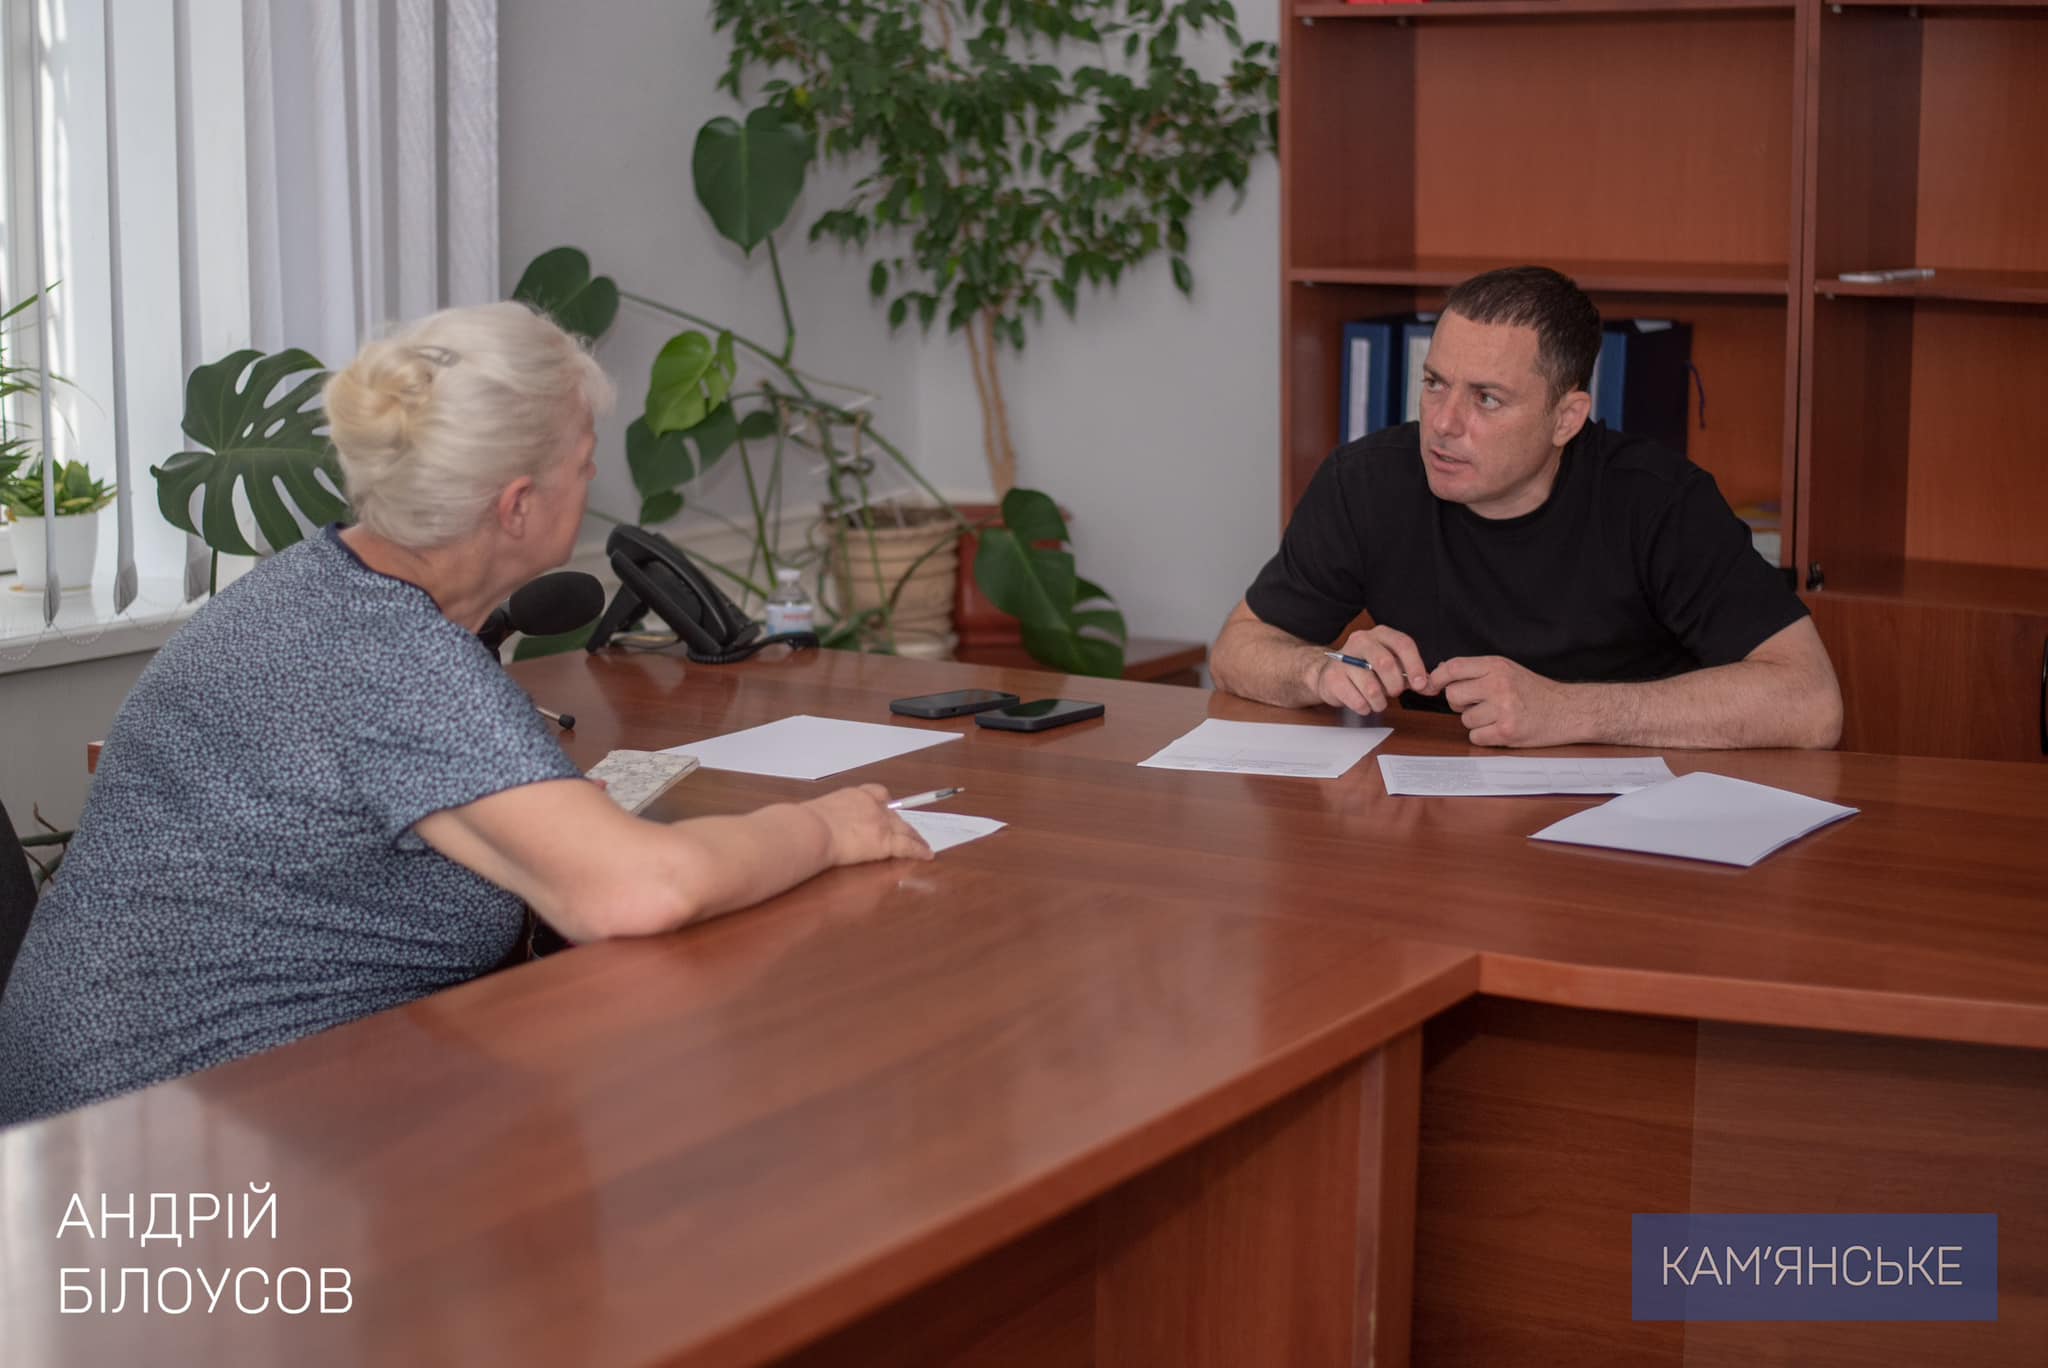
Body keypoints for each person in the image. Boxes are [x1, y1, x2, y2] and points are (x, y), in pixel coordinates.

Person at [0, 302, 930, 1126]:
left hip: (102, 1108)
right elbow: (638, 891)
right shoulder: (397, 660)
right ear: (517, 506)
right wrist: (825, 827)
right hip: (172, 1156)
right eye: (583, 466)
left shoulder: (308, 588)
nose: (591, 486)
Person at [1211, 266, 1842, 750]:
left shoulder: (1658, 500)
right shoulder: (1366, 482)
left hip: (1624, 812)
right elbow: (1237, 649)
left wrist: (1570, 711)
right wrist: (1318, 671)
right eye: (1434, 383)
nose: (1443, 423)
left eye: (1486, 398)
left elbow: (1811, 701)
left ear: (1566, 417)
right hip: (1436, 807)